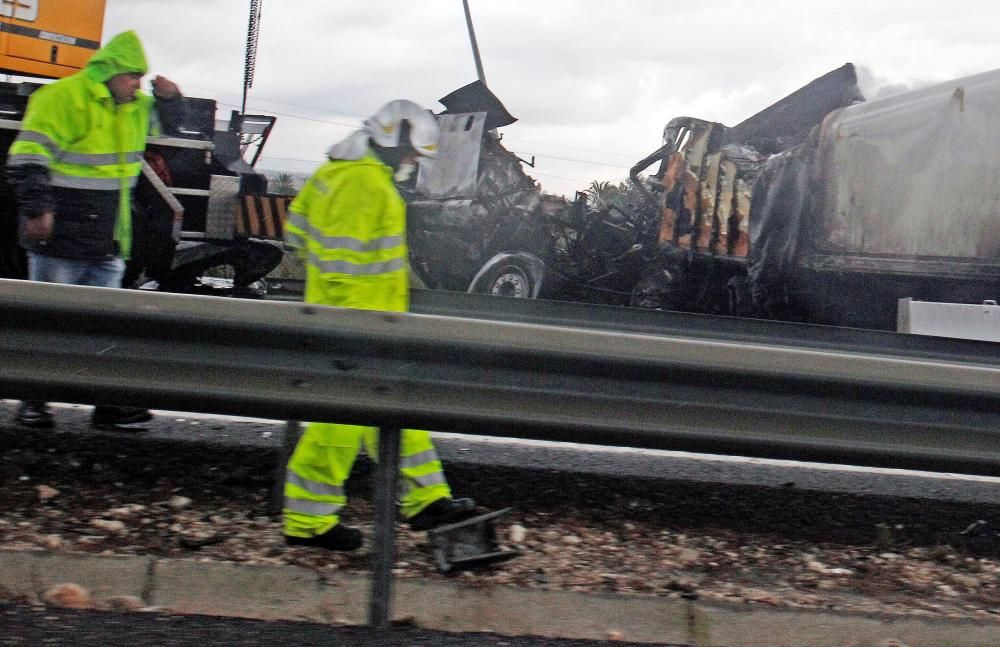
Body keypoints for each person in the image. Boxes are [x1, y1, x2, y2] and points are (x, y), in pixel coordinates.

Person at [282, 100, 477, 551]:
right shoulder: (364, 183)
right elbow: (349, 266)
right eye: (411, 152)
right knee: (340, 428)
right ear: (391, 139)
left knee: (395, 413)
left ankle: (427, 500)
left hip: (355, 322)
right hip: (357, 326)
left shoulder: (335, 174)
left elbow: (296, 236)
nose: (412, 162)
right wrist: (352, 322)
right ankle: (306, 521)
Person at [7, 30, 185, 430]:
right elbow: (28, 156)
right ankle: (33, 403)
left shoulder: (132, 106)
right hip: (61, 238)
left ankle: (107, 405)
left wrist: (173, 99)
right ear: (108, 72)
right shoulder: (63, 98)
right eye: (130, 76)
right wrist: (38, 210)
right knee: (50, 325)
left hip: (106, 237)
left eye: (141, 77)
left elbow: (169, 128)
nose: (137, 85)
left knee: (107, 328)